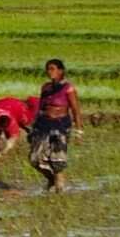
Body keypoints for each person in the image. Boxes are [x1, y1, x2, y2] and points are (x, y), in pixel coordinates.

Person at [29, 59, 82, 193]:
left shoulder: (68, 88)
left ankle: (59, 190)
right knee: (34, 158)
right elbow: (40, 108)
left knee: (58, 160)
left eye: (52, 69)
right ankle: (51, 179)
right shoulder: (46, 87)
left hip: (60, 125)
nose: (49, 72)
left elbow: (75, 110)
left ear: (60, 71)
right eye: (48, 69)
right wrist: (33, 127)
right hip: (43, 125)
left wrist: (79, 131)